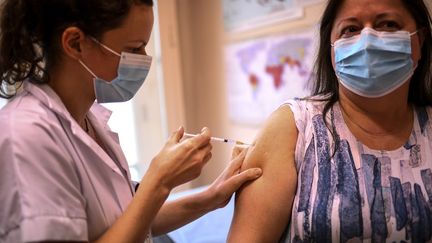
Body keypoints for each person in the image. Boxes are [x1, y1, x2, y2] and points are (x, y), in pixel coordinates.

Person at [0, 0, 263, 242]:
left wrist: (211, 197)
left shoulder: (88, 120)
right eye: (134, 48)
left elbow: (130, 219)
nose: (145, 59)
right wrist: (158, 182)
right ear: (75, 43)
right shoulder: (26, 137)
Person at [228, 0, 432, 242]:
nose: (367, 40)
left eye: (388, 24)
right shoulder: (293, 127)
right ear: (332, 51)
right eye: (350, 29)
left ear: (418, 40)